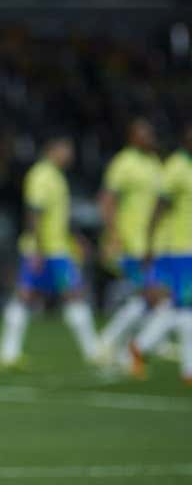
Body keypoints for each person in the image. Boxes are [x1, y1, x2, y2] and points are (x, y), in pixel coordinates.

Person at [0, 136, 99, 368]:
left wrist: (75, 238)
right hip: (47, 250)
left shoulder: (55, 175)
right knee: (64, 294)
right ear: (54, 148)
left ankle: (8, 353)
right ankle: (93, 352)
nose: (69, 155)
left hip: (56, 248)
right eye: (66, 149)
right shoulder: (42, 175)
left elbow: (57, 216)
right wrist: (39, 250)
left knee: (32, 296)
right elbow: (33, 213)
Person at [129, 124, 192, 382]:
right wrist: (149, 245)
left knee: (178, 307)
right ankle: (189, 369)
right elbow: (158, 208)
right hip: (179, 248)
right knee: (186, 307)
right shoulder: (176, 167)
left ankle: (140, 346)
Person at [96, 118, 163, 362]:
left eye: (151, 133)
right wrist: (112, 235)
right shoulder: (123, 163)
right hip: (129, 241)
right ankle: (113, 342)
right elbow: (106, 200)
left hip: (152, 242)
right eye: (143, 133)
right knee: (152, 295)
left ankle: (118, 345)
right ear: (132, 137)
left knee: (148, 298)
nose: (149, 138)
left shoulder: (155, 163)